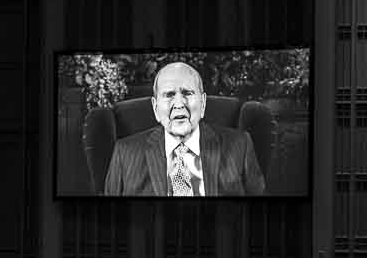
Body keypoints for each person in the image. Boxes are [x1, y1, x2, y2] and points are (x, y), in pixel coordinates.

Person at [102, 61, 266, 197]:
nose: (179, 104)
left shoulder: (240, 145)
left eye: (187, 93)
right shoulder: (125, 152)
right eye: (169, 95)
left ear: (203, 103)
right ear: (155, 107)